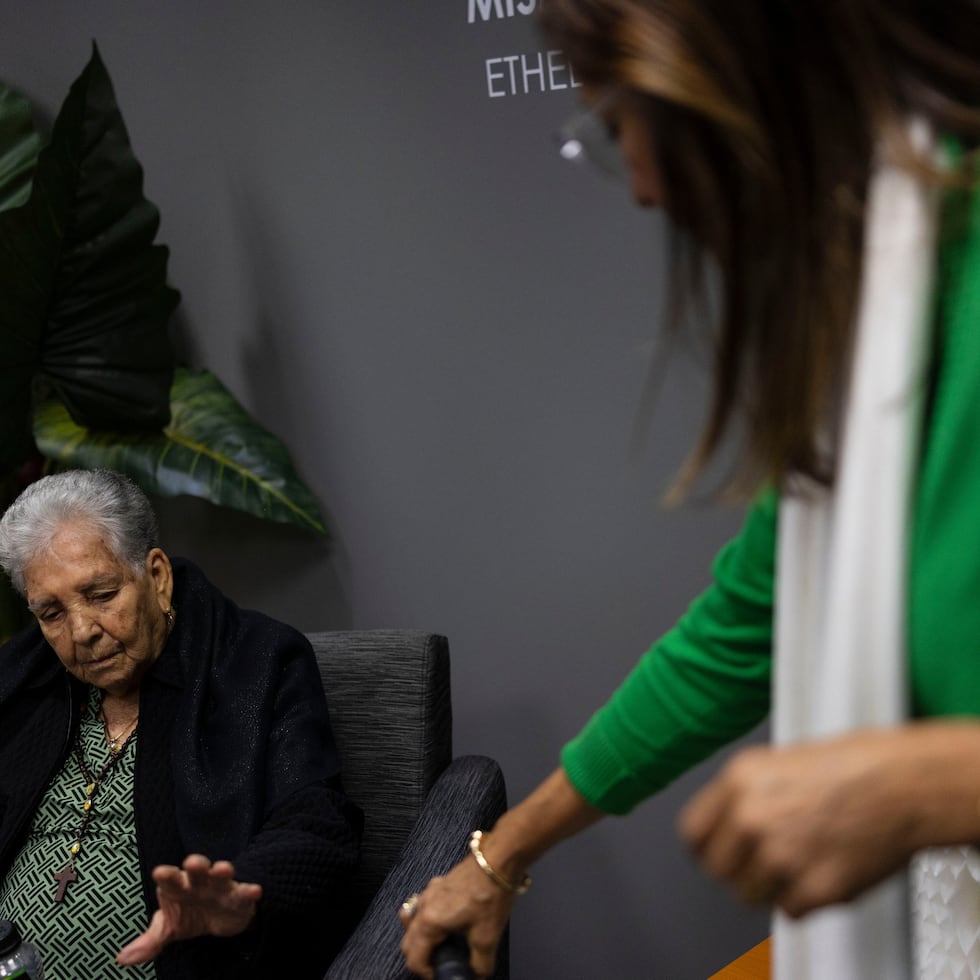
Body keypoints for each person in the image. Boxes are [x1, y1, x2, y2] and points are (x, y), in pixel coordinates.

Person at [399, 2, 980, 978]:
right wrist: (500, 855)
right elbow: (736, 631)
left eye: (618, 125)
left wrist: (927, 785)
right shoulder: (887, 294)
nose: (635, 188)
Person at [0, 468, 363, 979]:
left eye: (102, 595)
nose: (81, 632)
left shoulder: (256, 662)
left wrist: (245, 892)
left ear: (157, 576)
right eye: (51, 613)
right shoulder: (24, 680)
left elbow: (318, 822)